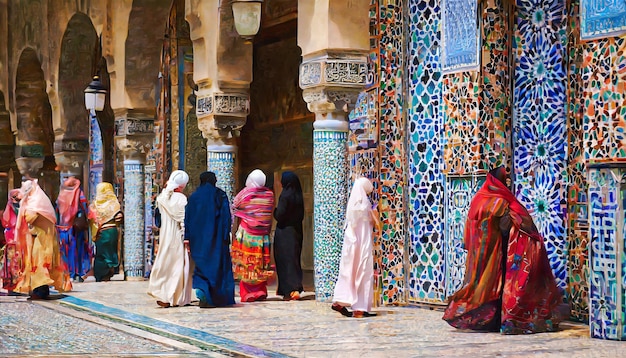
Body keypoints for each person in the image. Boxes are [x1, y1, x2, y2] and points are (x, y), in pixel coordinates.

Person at [442, 166, 564, 334]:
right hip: (500, 253)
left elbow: (470, 229)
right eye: (505, 180)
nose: (506, 183)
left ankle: (487, 320)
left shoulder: (479, 199)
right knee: (500, 286)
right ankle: (506, 319)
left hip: (481, 256)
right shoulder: (502, 201)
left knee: (483, 286)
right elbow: (520, 223)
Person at [14, 179, 72, 299]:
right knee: (38, 265)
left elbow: (30, 218)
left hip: (42, 240)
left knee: (39, 265)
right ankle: (39, 290)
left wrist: (23, 207)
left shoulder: (37, 203)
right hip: (40, 239)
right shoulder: (38, 201)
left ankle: (40, 291)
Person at [331, 177, 380, 318]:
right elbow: (374, 224)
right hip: (362, 244)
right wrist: (374, 214)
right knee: (363, 273)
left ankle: (340, 301)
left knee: (348, 273)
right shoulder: (364, 204)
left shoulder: (353, 205)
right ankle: (359, 308)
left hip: (351, 246)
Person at [185, 171, 235, 308]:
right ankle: (217, 297)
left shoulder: (194, 197)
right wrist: (226, 236)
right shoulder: (219, 195)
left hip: (198, 240)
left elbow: (187, 218)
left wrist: (187, 237)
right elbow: (226, 218)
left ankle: (202, 289)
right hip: (217, 240)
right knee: (217, 267)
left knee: (201, 266)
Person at [148, 170, 192, 308]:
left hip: (166, 235)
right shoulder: (181, 199)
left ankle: (162, 293)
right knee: (177, 266)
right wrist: (187, 238)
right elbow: (183, 220)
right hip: (177, 236)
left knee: (165, 263)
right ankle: (175, 297)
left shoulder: (162, 198)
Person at [232, 169, 275, 302]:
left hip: (248, 236)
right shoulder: (269, 194)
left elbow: (235, 205)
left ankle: (247, 292)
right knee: (261, 263)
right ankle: (260, 290)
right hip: (263, 236)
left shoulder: (246, 193)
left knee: (247, 263)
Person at [273, 171, 305, 301]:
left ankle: (289, 290)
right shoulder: (298, 195)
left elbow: (280, 214)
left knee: (285, 260)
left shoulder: (285, 196)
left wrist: (275, 212)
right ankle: (295, 288)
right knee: (294, 259)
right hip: (296, 231)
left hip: (285, 233)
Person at [56, 177, 91, 282]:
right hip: (76, 228)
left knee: (65, 251)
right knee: (78, 250)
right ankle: (78, 273)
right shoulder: (79, 194)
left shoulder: (61, 196)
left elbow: (57, 211)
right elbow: (84, 207)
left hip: (63, 228)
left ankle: (67, 273)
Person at [88, 182, 123, 282]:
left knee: (100, 254)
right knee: (110, 253)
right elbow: (118, 218)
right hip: (111, 232)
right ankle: (109, 272)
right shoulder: (114, 204)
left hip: (100, 233)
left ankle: (100, 274)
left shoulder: (94, 205)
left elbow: (91, 220)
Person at [1, 189, 23, 293]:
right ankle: (13, 286)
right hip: (13, 238)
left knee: (16, 262)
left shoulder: (20, 206)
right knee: (13, 261)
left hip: (18, 237)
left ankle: (16, 285)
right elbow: (7, 222)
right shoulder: (14, 207)